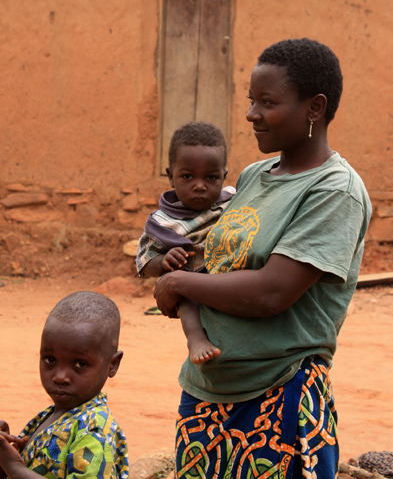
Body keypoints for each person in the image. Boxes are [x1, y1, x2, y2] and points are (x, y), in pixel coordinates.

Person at [153, 38, 372, 479]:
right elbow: (215, 264)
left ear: (315, 107)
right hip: (206, 393)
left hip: (277, 395)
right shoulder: (254, 176)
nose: (251, 114)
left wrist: (177, 285)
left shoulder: (334, 191)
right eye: (252, 100)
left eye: (267, 102)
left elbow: (271, 292)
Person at [0, 291, 129, 479]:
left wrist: (13, 467)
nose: (60, 377)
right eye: (50, 359)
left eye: (80, 364)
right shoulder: (54, 415)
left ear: (112, 365)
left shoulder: (93, 431)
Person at [136, 121, 235, 365]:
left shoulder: (233, 201)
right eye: (187, 176)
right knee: (187, 296)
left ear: (224, 176)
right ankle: (196, 339)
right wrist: (164, 262)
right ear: (171, 176)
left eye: (211, 177)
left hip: (231, 279)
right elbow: (144, 261)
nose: (199, 185)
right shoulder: (162, 221)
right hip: (194, 280)